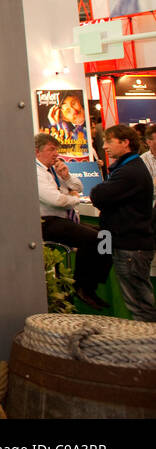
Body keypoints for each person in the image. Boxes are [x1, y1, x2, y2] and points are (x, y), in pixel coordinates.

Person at [36, 133, 109, 309]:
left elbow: (78, 187)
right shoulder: (36, 173)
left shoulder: (53, 170)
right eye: (51, 149)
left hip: (63, 220)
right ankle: (81, 286)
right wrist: (75, 198)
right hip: (47, 223)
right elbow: (56, 200)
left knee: (106, 235)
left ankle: (92, 285)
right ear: (37, 151)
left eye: (56, 149)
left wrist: (66, 176)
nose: (55, 153)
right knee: (95, 239)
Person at [91, 124, 156, 322]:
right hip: (128, 245)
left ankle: (148, 348)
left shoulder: (129, 171)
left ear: (125, 143)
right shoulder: (129, 167)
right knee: (139, 303)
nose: (105, 146)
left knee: (140, 306)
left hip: (131, 248)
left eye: (109, 141)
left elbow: (98, 194)